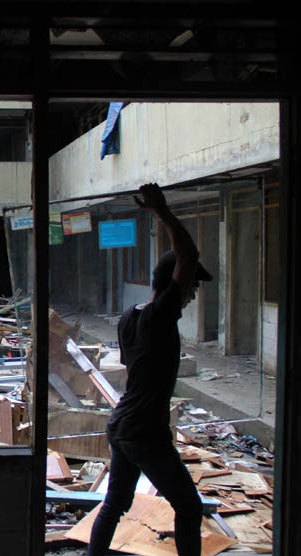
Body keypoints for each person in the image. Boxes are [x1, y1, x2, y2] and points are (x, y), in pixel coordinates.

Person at [87, 183, 213, 556]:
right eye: (191, 285)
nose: (192, 294)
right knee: (188, 507)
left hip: (124, 424)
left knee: (114, 504)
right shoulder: (159, 316)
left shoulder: (131, 316)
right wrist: (163, 212)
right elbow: (187, 255)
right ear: (176, 282)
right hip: (143, 430)